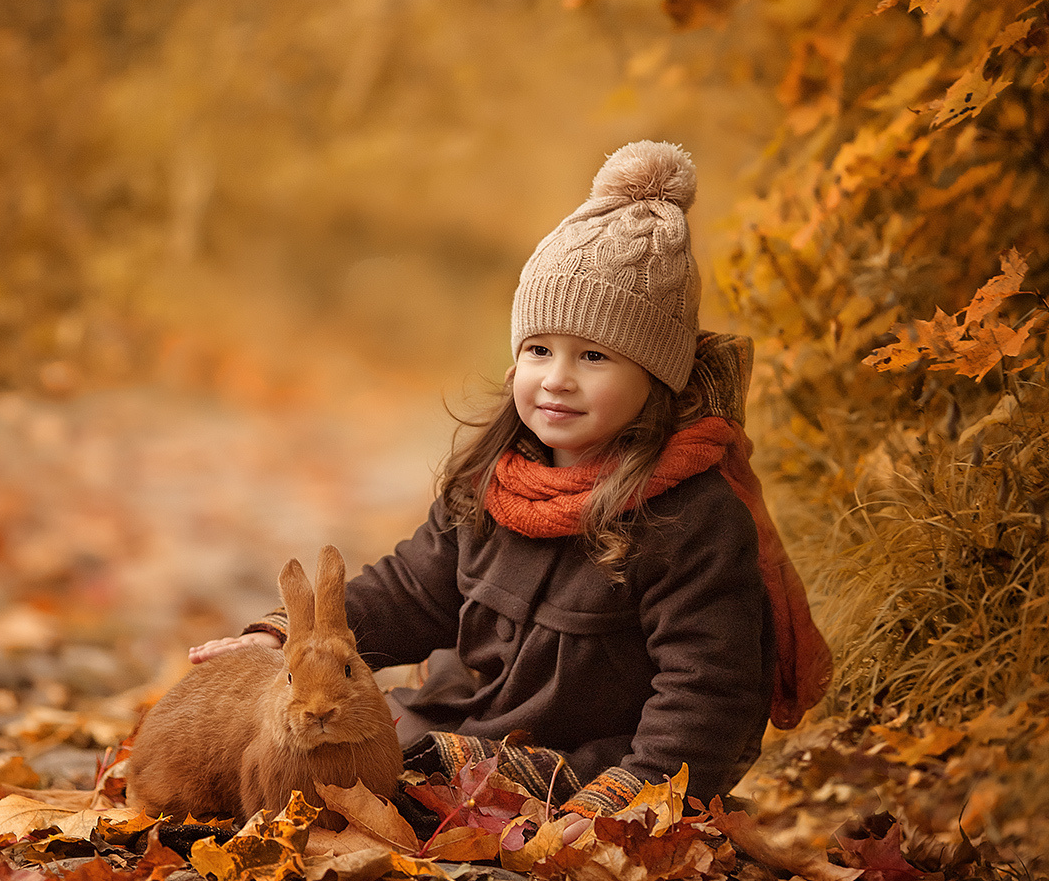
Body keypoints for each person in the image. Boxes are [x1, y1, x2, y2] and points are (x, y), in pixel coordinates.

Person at [190, 140, 831, 814]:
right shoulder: (493, 482)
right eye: (539, 350)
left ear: (656, 378)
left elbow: (706, 690)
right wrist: (285, 637)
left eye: (593, 357)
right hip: (470, 722)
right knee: (314, 758)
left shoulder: (691, 518)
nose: (557, 379)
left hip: (597, 761)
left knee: (425, 789)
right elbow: (411, 593)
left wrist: (636, 798)